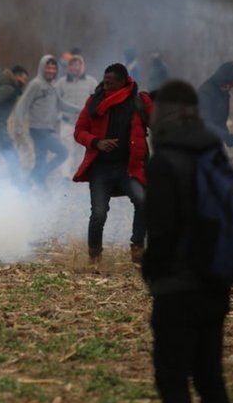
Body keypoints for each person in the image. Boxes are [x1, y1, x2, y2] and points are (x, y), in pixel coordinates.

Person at [142, 80, 231, 403]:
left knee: (173, 380)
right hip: (216, 282)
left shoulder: (165, 160)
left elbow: (162, 231)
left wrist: (152, 271)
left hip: (177, 288)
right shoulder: (213, 150)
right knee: (211, 379)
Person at [73, 63, 153, 265]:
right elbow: (79, 131)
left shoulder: (139, 101)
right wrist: (96, 142)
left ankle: (137, 248)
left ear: (123, 82)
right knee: (98, 214)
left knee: (143, 202)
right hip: (101, 168)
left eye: (111, 83)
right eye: (105, 81)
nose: (106, 86)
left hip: (129, 168)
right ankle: (94, 256)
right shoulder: (94, 101)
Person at [12, 54, 76, 188]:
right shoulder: (36, 84)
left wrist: (82, 110)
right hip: (37, 129)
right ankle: (37, 176)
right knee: (63, 152)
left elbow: (61, 104)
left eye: (53, 68)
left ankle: (30, 187)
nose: (51, 71)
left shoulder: (54, 85)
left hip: (48, 128)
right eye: (48, 68)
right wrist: (18, 128)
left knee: (41, 160)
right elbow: (21, 106)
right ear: (42, 68)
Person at [55, 55, 98, 178]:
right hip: (67, 122)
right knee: (66, 149)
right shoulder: (61, 83)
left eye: (78, 65)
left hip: (85, 124)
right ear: (68, 67)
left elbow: (97, 101)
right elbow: (55, 101)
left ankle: (81, 173)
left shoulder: (91, 82)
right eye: (72, 65)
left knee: (83, 149)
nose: (75, 67)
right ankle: (65, 176)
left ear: (82, 66)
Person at [198, 61, 233, 148]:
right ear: (225, 79)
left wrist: (227, 138)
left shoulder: (223, 93)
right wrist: (225, 136)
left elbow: (221, 122)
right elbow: (204, 122)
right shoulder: (205, 93)